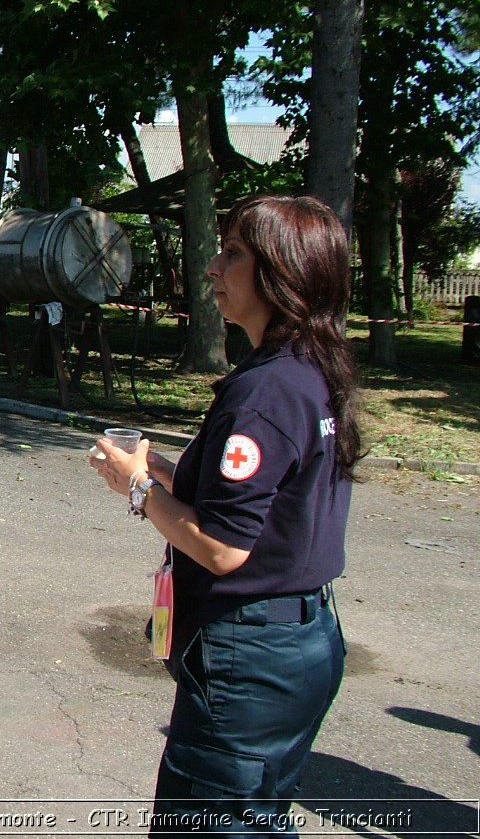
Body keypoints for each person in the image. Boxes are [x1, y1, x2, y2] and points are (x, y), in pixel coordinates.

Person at [88, 194, 359, 836]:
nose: (212, 266)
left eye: (233, 253)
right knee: (256, 819)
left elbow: (223, 546)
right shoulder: (309, 369)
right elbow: (258, 504)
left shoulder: (264, 393)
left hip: (250, 656)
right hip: (301, 640)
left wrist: (136, 491)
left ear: (280, 274)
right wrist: (152, 468)